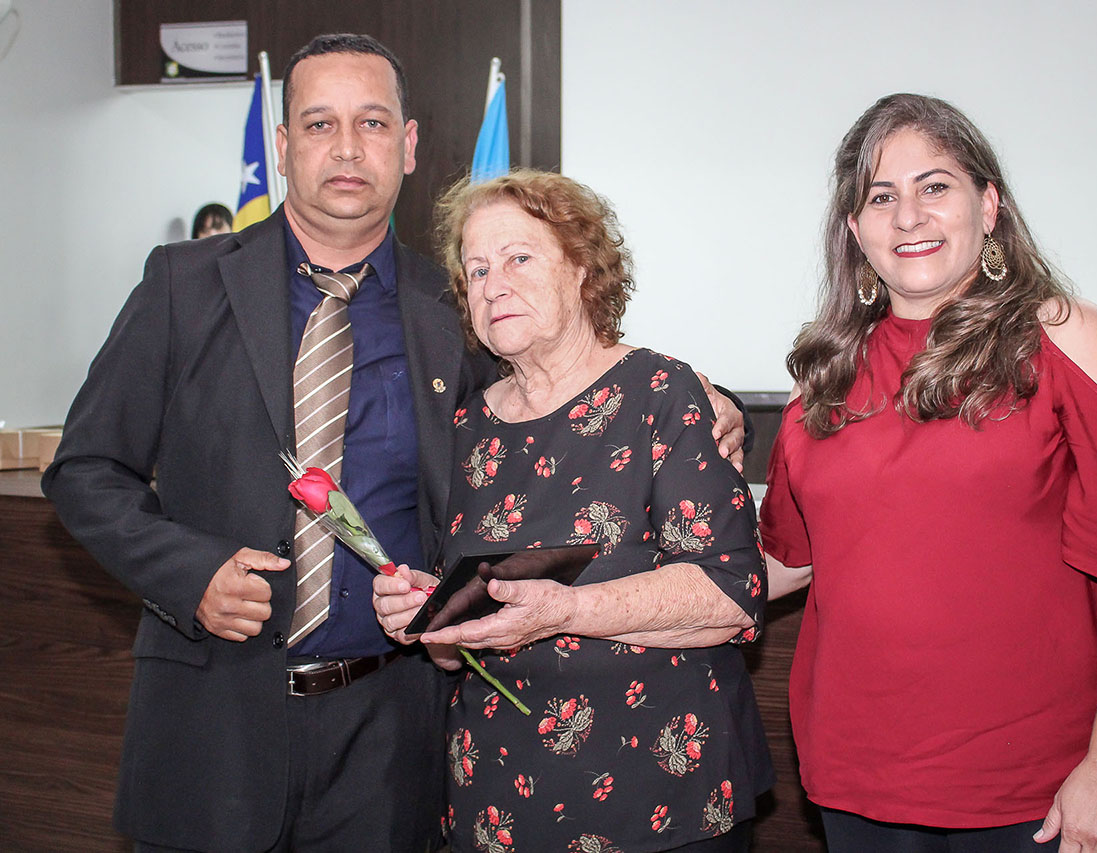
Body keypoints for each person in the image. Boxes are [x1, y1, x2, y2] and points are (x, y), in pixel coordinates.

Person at [43, 34, 746, 853]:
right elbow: (84, 468)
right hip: (212, 726)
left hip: (389, 739)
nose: (347, 148)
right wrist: (188, 571)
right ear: (282, 146)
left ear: (409, 146)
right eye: (320, 124)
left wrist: (715, 401)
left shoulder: (454, 306)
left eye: (373, 122)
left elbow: (567, 375)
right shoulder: (183, 283)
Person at [759, 93, 1097, 853]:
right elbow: (784, 562)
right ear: (856, 229)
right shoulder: (822, 381)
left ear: (988, 205)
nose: (909, 217)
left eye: (934, 186)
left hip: (1033, 790)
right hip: (854, 777)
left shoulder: (1065, 336)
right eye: (880, 197)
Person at [372, 170, 774, 853]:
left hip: (660, 795)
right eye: (476, 270)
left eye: (518, 258)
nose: (493, 285)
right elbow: (456, 648)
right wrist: (427, 613)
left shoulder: (661, 392)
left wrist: (564, 610)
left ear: (583, 270)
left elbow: (732, 594)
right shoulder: (463, 430)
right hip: (498, 801)